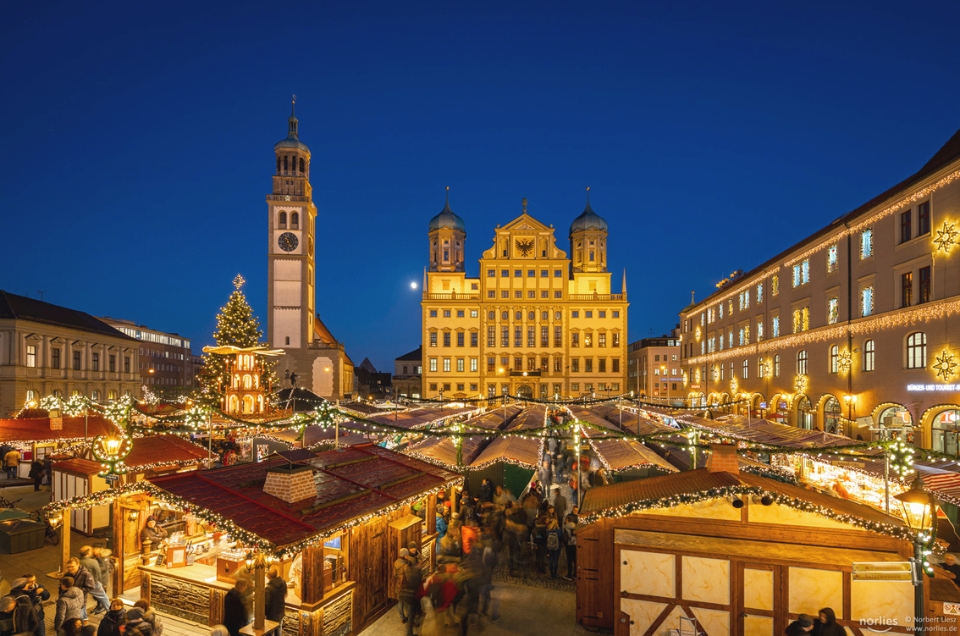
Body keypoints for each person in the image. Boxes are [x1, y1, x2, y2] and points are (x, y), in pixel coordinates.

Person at [79, 547, 110, 615]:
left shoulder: (78, 561)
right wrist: (100, 583)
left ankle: (83, 617)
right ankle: (110, 612)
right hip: (93, 583)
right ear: (88, 553)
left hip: (81, 583)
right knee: (103, 597)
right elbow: (98, 572)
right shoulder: (93, 561)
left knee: (82, 601)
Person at [263, 567, 286, 634]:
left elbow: (267, 604)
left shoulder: (269, 588)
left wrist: (264, 614)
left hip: (272, 615)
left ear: (268, 576)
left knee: (269, 632)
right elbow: (285, 593)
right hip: (281, 611)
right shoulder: (283, 582)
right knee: (278, 629)